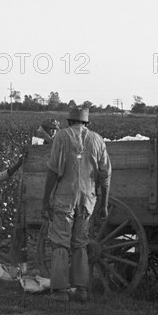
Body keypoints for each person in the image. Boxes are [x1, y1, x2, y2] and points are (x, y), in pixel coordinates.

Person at [41, 107, 111, 302]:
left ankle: (61, 291)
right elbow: (105, 175)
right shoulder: (97, 140)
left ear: (69, 122)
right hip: (87, 200)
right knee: (80, 244)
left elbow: (53, 171)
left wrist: (45, 201)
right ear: (86, 123)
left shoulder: (62, 137)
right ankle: (81, 290)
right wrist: (103, 204)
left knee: (60, 244)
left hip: (65, 198)